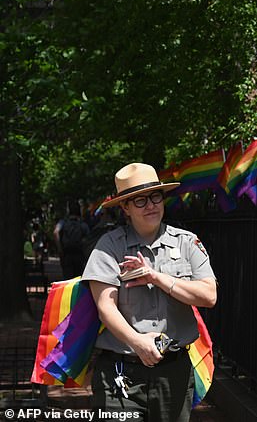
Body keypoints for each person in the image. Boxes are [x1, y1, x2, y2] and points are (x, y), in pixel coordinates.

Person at [81, 162, 217, 422]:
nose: (150, 205)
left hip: (174, 372)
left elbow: (209, 296)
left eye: (155, 196)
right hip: (121, 372)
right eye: (139, 200)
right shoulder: (109, 246)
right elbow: (105, 307)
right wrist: (137, 342)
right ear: (125, 208)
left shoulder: (187, 242)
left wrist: (156, 277)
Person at [54, 201, 90, 279]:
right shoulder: (82, 224)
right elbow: (88, 238)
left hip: (67, 253)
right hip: (79, 254)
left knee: (67, 277)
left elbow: (56, 232)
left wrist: (60, 249)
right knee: (79, 278)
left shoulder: (63, 222)